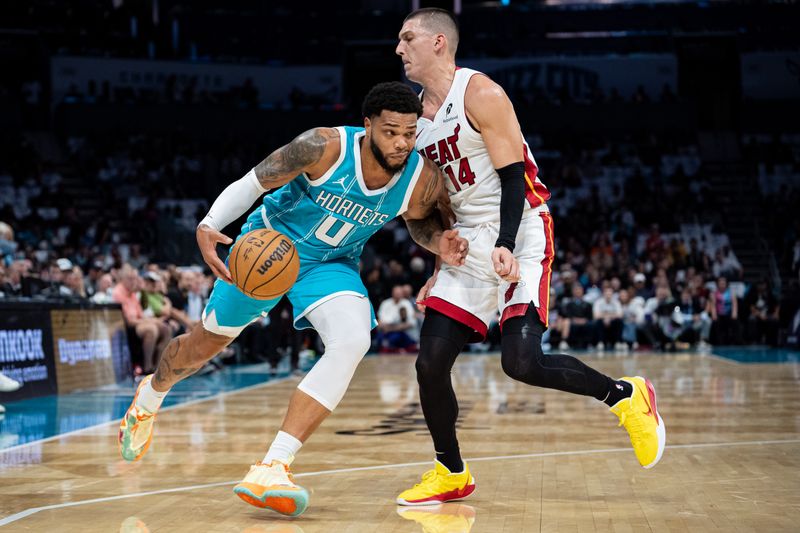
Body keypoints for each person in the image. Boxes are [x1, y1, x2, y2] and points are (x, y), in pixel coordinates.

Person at [117, 82, 468, 517]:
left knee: (352, 339)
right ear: (367, 126)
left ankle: (272, 466)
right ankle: (149, 396)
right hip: (266, 251)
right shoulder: (322, 146)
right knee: (202, 345)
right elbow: (254, 182)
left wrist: (438, 243)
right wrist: (209, 224)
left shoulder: (421, 177)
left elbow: (419, 222)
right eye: (390, 132)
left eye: (409, 133)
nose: (401, 143)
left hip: (330, 265)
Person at [394, 8, 665, 506]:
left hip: (520, 226)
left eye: (407, 38)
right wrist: (437, 262)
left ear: (438, 43)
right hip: (466, 240)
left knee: (521, 362)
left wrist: (505, 243)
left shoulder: (482, 93)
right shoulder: (414, 120)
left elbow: (514, 176)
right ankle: (451, 472)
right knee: (430, 363)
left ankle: (626, 397)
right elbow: (437, 204)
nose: (398, 48)